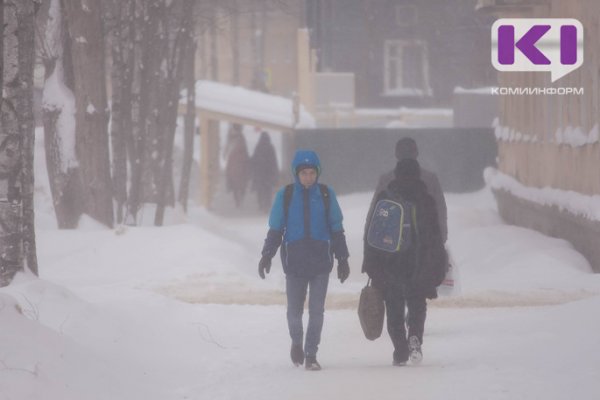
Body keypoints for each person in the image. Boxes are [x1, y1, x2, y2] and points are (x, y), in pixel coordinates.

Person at [258, 149, 350, 371]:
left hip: (320, 262)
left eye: (311, 172)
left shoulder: (327, 195)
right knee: (294, 312)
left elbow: (337, 229)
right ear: (296, 174)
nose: (308, 177)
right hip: (295, 263)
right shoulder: (286, 195)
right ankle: (297, 342)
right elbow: (276, 228)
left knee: (317, 312)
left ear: (317, 173)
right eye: (304, 173)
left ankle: (311, 354)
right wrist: (267, 255)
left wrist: (343, 258)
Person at [363, 158, 447, 366]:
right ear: (418, 174)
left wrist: (371, 263)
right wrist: (437, 267)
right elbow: (434, 238)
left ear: (396, 175)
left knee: (394, 308)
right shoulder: (426, 199)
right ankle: (415, 337)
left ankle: (400, 349)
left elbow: (372, 234)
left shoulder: (386, 198)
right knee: (417, 305)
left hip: (390, 263)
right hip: (418, 263)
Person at [365, 137, 447, 244]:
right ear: (417, 153)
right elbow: (440, 210)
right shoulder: (430, 179)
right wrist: (441, 238)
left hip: (393, 243)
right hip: (424, 243)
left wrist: (368, 238)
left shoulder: (386, 180)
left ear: (396, 154)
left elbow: (374, 212)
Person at [250, 131, 279, 212]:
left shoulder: (258, 147)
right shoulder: (271, 147)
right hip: (268, 175)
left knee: (260, 190)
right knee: (268, 190)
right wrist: (275, 174)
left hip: (260, 174)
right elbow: (274, 161)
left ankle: (261, 204)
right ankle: (267, 205)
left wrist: (252, 169)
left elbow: (254, 160)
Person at [224, 125, 250, 208]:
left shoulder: (233, 140)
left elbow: (227, 150)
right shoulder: (240, 139)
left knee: (235, 185)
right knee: (241, 185)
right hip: (241, 167)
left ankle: (238, 201)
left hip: (235, 167)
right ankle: (240, 199)